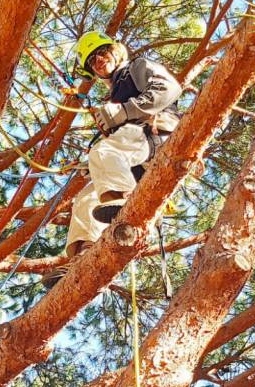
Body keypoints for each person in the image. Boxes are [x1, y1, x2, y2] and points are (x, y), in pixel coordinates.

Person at [43, 31, 182, 288]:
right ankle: (84, 255)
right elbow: (116, 144)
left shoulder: (137, 67)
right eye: (92, 61)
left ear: (116, 50)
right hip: (134, 152)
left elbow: (169, 88)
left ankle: (124, 201)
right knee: (85, 197)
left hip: (157, 135)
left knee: (103, 153)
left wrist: (124, 112)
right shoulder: (115, 94)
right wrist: (95, 166)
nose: (98, 60)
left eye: (102, 53)